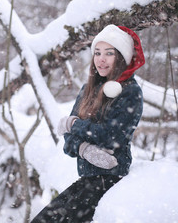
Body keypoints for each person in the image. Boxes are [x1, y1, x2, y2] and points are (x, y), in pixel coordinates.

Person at [31, 24, 145, 223]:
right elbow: (68, 140)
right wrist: (84, 149)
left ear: (121, 57)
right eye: (97, 52)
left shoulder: (130, 92)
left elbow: (111, 137)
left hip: (110, 179)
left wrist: (75, 125)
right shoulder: (87, 90)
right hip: (87, 179)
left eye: (109, 53)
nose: (101, 59)